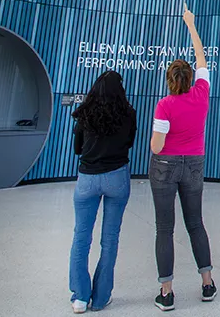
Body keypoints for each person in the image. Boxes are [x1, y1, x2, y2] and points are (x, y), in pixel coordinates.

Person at [149, 5, 217, 310]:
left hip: (166, 166)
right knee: (195, 224)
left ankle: (167, 293)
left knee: (165, 228)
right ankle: (207, 284)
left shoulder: (164, 105)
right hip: (194, 164)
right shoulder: (202, 93)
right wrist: (191, 24)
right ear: (190, 78)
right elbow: (201, 56)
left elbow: (156, 146)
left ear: (169, 80)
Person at [69, 71, 137, 313]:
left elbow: (77, 148)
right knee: (110, 239)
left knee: (81, 237)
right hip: (117, 176)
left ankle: (79, 297)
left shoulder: (85, 113)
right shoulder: (128, 113)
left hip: (87, 178)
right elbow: (129, 143)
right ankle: (101, 298)